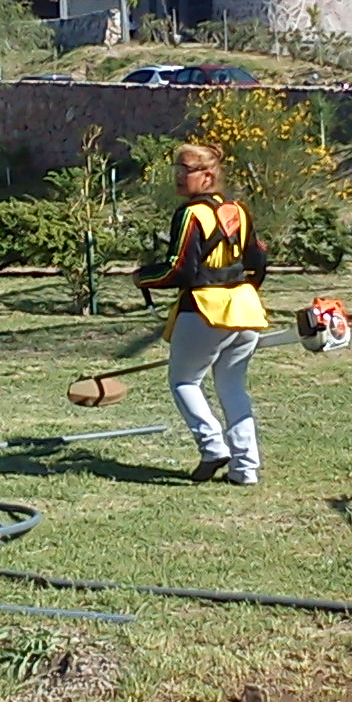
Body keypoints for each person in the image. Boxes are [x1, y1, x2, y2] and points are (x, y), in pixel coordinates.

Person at [134, 144, 269, 485]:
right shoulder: (239, 210)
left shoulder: (191, 213)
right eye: (176, 169)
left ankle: (212, 448)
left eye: (186, 170)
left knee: (184, 381)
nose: (179, 176)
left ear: (208, 176)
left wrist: (143, 277)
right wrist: (243, 290)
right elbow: (259, 259)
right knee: (232, 386)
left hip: (204, 310)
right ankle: (245, 469)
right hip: (245, 308)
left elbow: (179, 269)